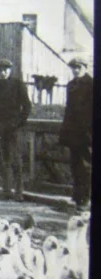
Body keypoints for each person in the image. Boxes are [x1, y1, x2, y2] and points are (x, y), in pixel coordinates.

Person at [0, 59, 32, 202]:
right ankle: (6, 191)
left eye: (5, 69)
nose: (3, 72)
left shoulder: (18, 85)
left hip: (14, 129)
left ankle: (19, 192)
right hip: (1, 129)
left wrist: (18, 124)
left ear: (10, 70)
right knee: (4, 160)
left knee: (16, 160)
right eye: (0, 70)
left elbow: (27, 107)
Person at [59, 57, 93, 211]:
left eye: (78, 67)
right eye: (73, 67)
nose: (76, 70)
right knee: (74, 165)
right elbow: (68, 109)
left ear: (85, 67)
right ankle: (77, 195)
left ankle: (85, 198)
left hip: (86, 133)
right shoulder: (71, 85)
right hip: (73, 133)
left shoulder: (91, 84)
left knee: (86, 166)